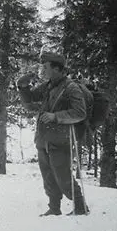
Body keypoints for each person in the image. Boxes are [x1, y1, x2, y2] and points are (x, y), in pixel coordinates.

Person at [17, 51, 89, 216]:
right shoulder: (48, 86)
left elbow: (80, 112)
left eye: (46, 67)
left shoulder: (71, 88)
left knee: (62, 175)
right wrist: (23, 86)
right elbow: (29, 104)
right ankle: (54, 208)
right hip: (43, 139)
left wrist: (56, 117)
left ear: (57, 68)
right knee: (48, 177)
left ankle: (80, 207)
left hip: (60, 139)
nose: (43, 70)